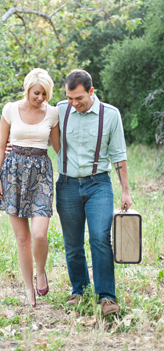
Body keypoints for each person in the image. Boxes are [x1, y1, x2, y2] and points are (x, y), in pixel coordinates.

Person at [56, 69, 132, 316]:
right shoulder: (59, 110)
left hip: (99, 184)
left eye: (79, 98)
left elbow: (119, 155)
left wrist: (126, 192)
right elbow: (33, 122)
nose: (74, 103)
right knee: (72, 243)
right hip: (67, 185)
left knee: (100, 237)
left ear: (91, 91)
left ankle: (107, 297)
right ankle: (79, 291)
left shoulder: (110, 115)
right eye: (69, 98)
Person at [0, 68, 60, 308]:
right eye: (36, 93)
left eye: (44, 94)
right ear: (27, 89)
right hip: (12, 173)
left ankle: (40, 271)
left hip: (41, 173)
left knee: (40, 234)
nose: (40, 98)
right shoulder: (10, 109)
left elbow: (59, 148)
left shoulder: (52, 114)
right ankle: (29, 290)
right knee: (22, 238)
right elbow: (1, 146)